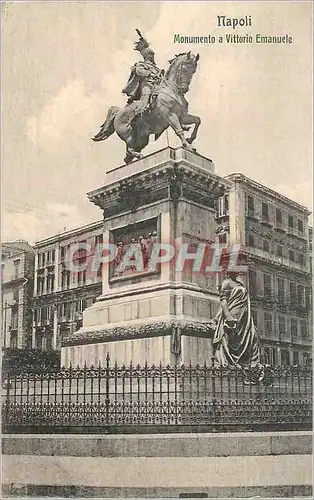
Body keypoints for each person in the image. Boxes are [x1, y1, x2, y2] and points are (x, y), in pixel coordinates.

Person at [213, 269, 260, 368]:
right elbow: (223, 302)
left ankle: (251, 364)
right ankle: (233, 363)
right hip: (233, 316)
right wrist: (228, 317)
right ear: (228, 272)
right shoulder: (226, 283)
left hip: (244, 318)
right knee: (232, 339)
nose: (235, 272)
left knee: (253, 336)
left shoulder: (240, 284)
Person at [122, 30, 164, 116]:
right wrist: (150, 74)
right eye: (150, 55)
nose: (151, 57)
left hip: (157, 86)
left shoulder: (156, 68)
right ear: (146, 55)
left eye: (152, 55)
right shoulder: (141, 64)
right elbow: (139, 71)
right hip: (146, 85)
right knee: (147, 92)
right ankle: (140, 111)